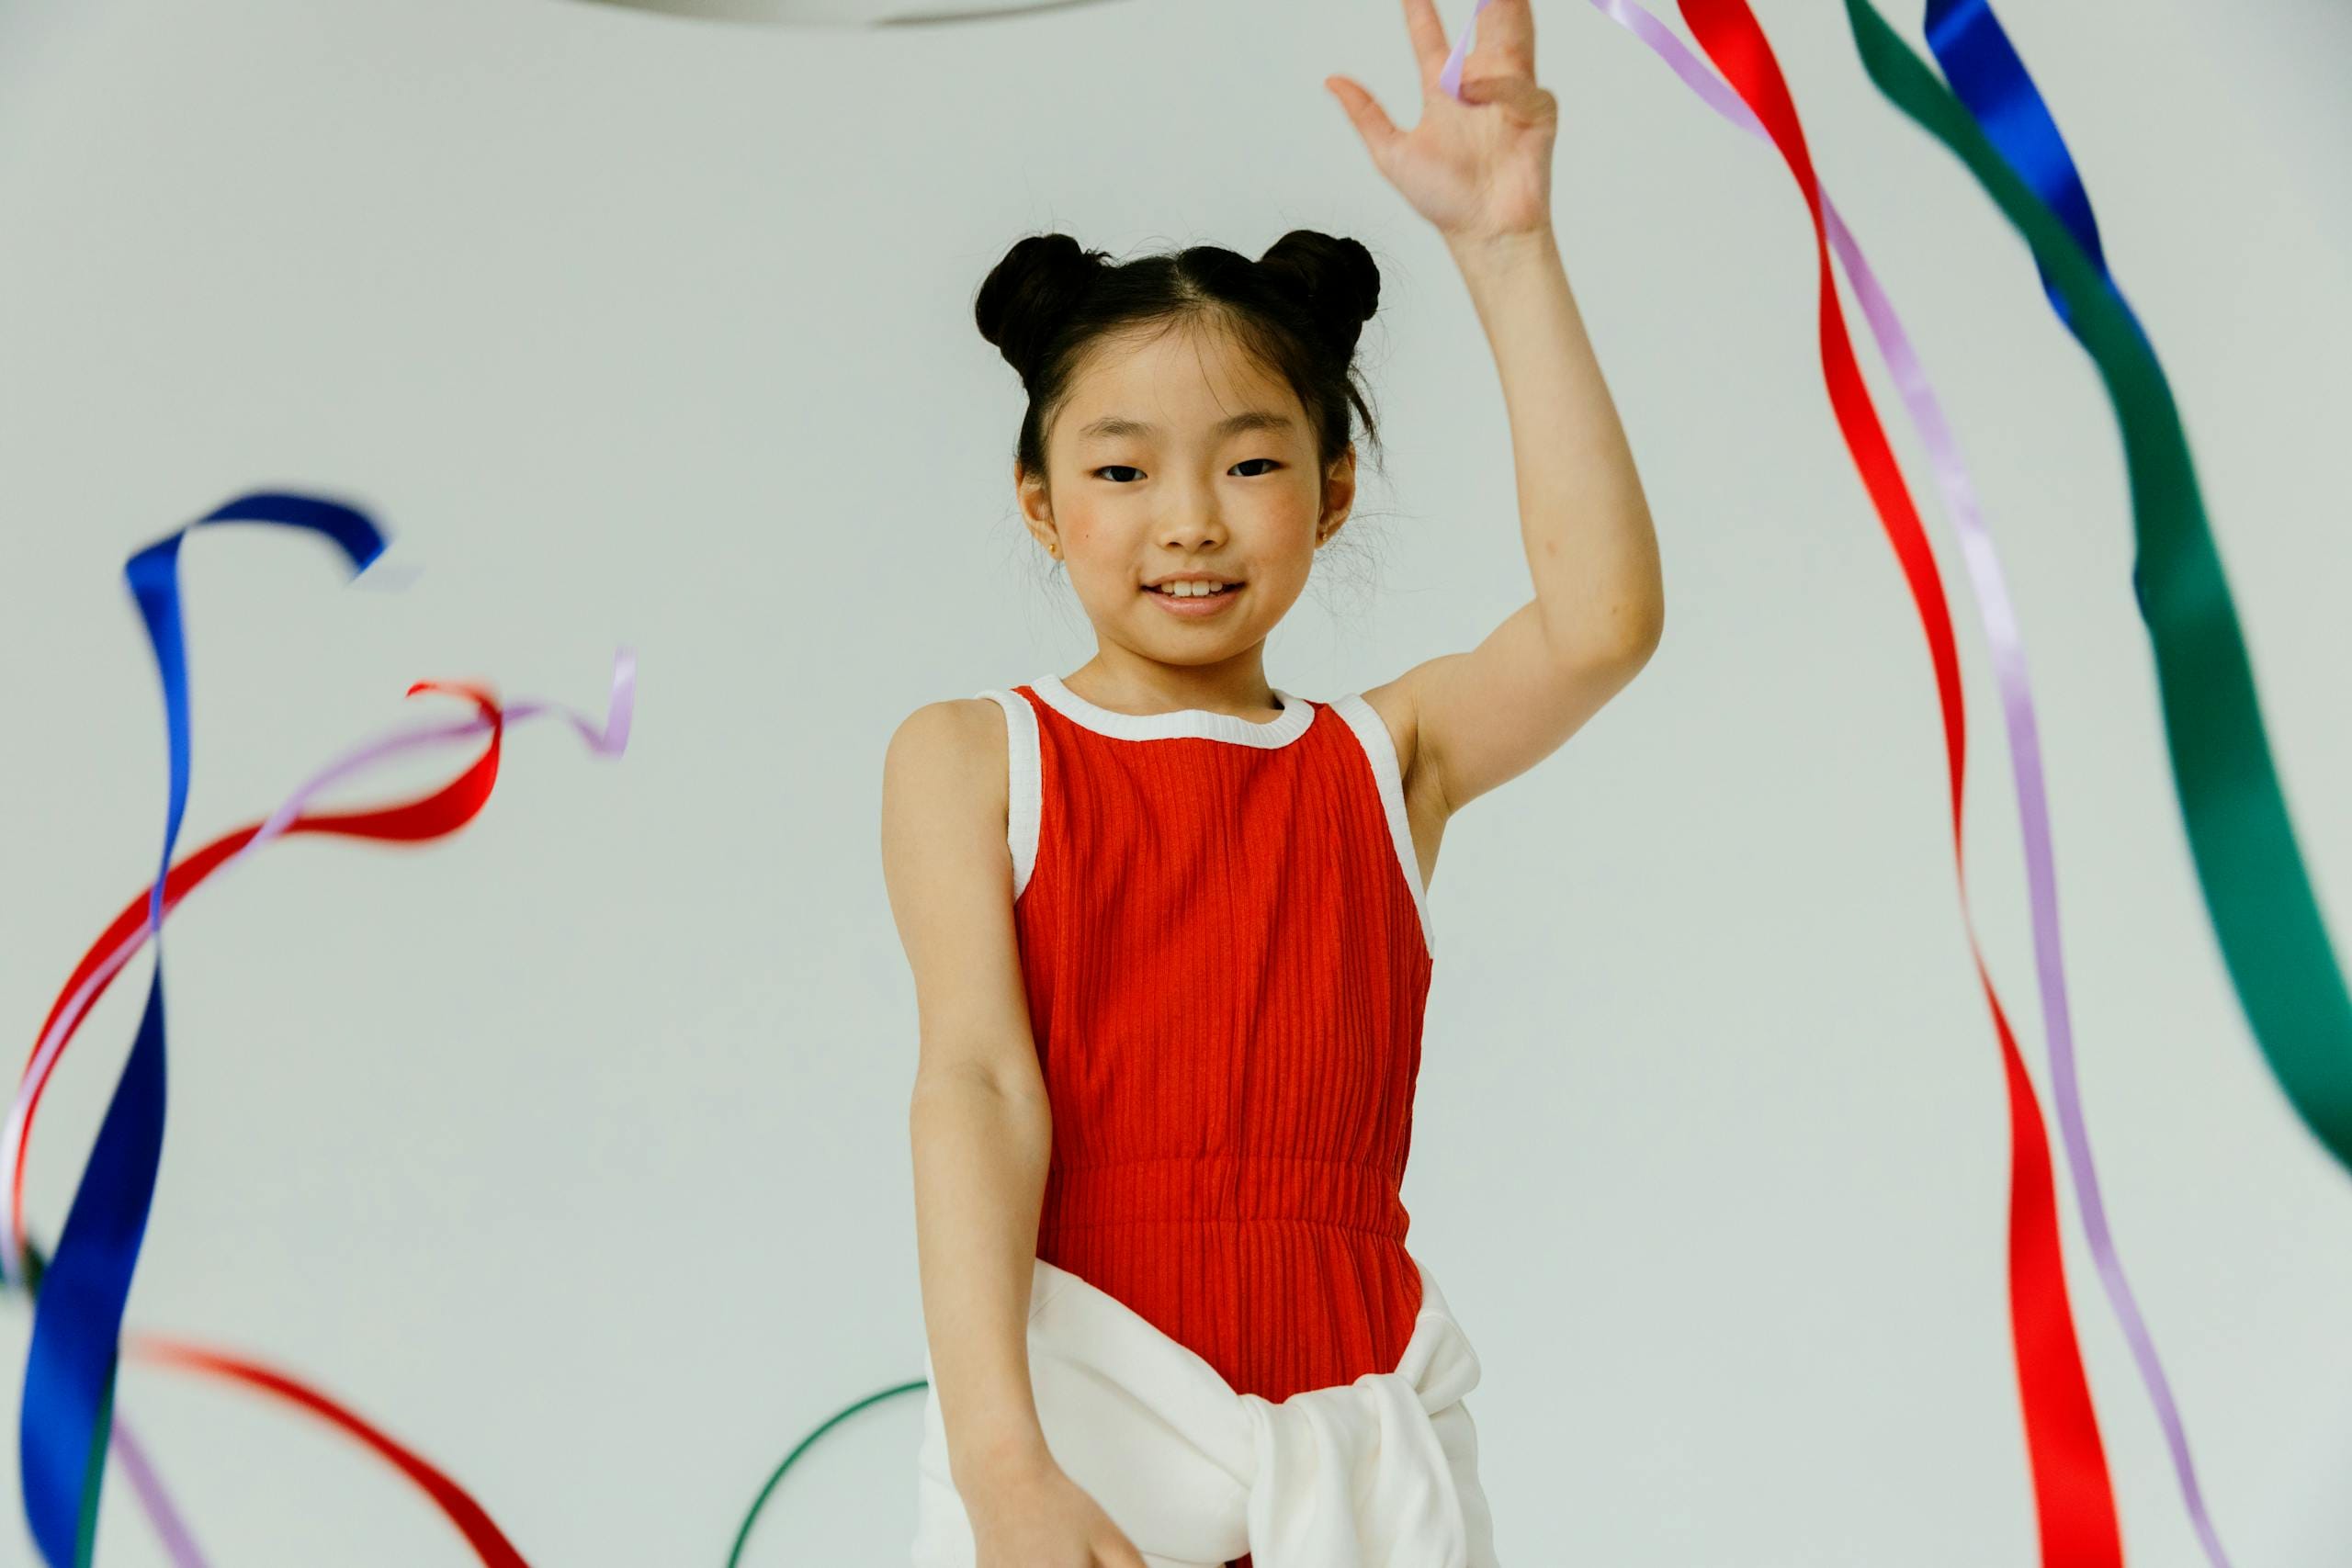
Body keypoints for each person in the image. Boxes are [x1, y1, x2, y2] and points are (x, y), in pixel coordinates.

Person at [879, 3, 1660, 1562]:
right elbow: (977, 1087)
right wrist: (1001, 1467)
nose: (1189, 520)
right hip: (1087, 1411)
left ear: (1333, 487)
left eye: (1247, 462)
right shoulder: (975, 756)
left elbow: (1601, 623)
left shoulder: (1384, 760)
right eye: (1119, 469)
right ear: (1037, 502)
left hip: (1359, 1424)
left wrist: (1510, 249)